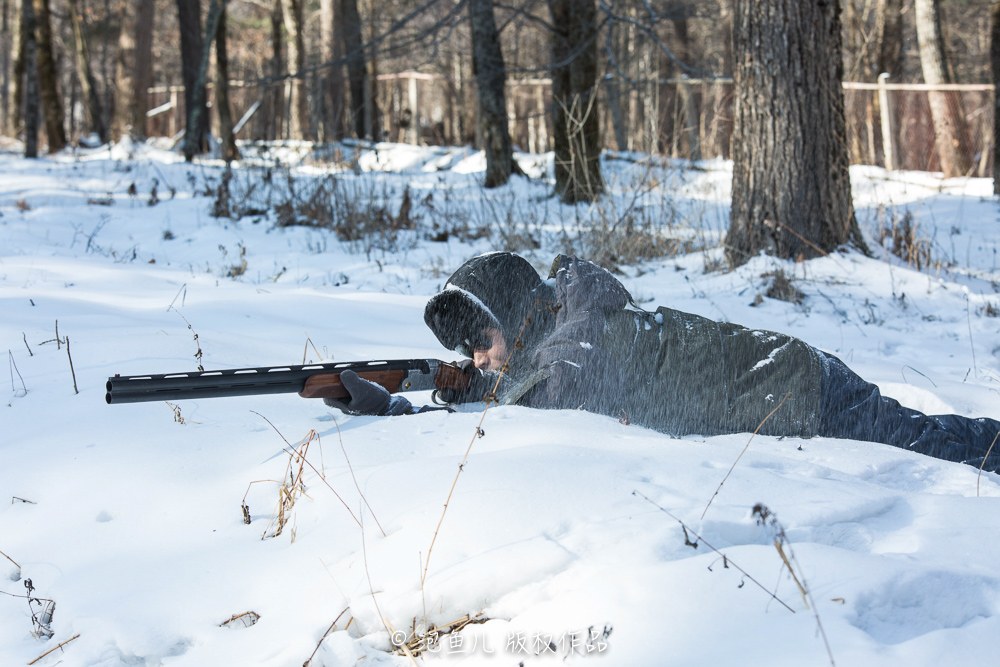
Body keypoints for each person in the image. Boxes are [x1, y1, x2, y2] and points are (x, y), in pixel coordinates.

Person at [327, 252, 1000, 473]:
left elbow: (516, 420)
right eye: (465, 350)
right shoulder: (565, 328)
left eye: (480, 337)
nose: (476, 357)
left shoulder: (575, 354)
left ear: (514, 316)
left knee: (942, 448)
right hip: (788, 372)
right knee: (935, 440)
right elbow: (515, 389)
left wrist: (397, 407)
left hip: (799, 390)